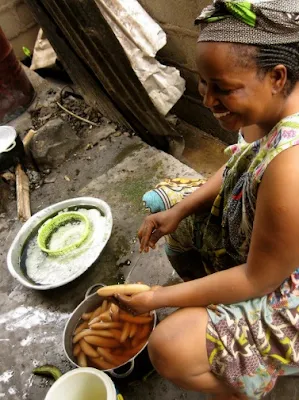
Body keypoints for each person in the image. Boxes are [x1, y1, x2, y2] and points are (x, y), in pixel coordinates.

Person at [116, 1, 299, 399]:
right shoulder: (267, 105)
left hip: (284, 283)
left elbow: (258, 278)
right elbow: (242, 165)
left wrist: (156, 299)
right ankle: (214, 308)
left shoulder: (292, 167)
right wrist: (178, 210)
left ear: (277, 76)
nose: (209, 101)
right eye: (204, 84)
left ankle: (250, 378)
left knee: (169, 346)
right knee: (164, 204)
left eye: (223, 89)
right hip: (267, 245)